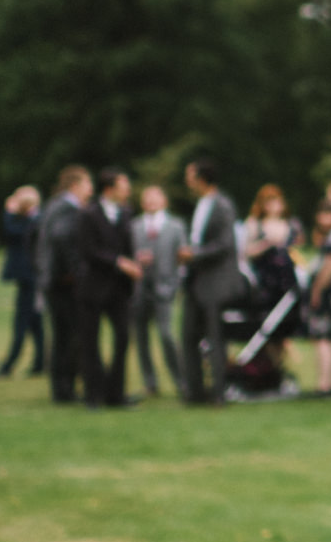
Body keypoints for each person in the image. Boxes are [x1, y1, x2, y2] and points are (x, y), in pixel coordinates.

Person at [176, 157, 244, 405]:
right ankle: (194, 392)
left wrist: (194, 254)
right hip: (195, 281)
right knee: (188, 335)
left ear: (202, 179)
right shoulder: (201, 205)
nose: (186, 181)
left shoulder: (222, 205)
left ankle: (218, 392)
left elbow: (225, 244)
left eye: (190, 176)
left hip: (215, 283)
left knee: (215, 338)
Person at [75, 168, 142, 408]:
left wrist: (134, 262)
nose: (128, 190)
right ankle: (94, 394)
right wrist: (118, 262)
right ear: (109, 188)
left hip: (119, 289)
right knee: (90, 341)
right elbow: (88, 250)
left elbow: (127, 247)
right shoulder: (89, 215)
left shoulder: (125, 213)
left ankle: (116, 393)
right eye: (124, 184)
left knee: (123, 337)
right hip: (93, 287)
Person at [37, 167, 91, 404]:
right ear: (75, 185)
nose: (91, 188)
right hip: (63, 283)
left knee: (61, 337)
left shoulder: (53, 206)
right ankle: (65, 389)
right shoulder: (67, 209)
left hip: (53, 281)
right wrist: (74, 272)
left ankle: (61, 389)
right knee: (69, 337)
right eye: (88, 183)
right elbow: (63, 239)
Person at [242, 184, 305, 383]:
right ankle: (268, 368)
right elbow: (246, 252)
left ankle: (279, 367)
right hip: (266, 280)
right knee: (267, 324)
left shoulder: (291, 224)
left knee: (285, 325)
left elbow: (298, 247)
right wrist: (266, 243)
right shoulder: (254, 224)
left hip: (286, 280)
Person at [129, 185, 185, 398]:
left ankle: (181, 381)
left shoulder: (175, 226)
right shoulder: (134, 226)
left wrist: (177, 284)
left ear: (164, 201)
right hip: (140, 289)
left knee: (167, 334)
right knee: (141, 337)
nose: (151, 201)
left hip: (165, 288)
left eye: (156, 197)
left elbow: (182, 258)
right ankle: (150, 383)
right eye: (147, 197)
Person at [0, 185, 46, 378]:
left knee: (21, 322)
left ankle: (8, 365)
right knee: (35, 323)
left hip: (30, 278)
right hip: (29, 278)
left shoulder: (33, 220)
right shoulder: (31, 219)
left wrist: (9, 211)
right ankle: (41, 362)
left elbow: (11, 232)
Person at [302, 193, 331, 398]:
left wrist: (316, 290)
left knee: (323, 338)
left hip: (329, 293)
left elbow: (329, 266)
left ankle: (324, 383)